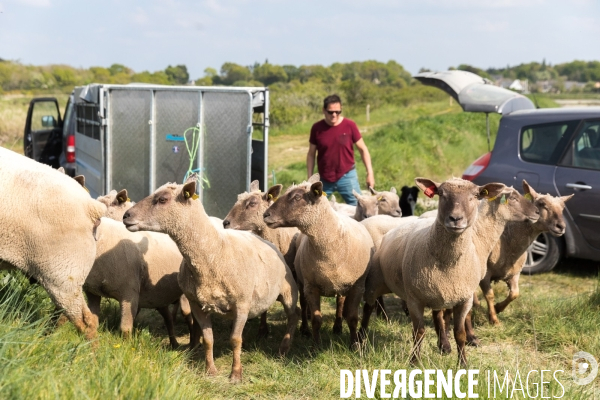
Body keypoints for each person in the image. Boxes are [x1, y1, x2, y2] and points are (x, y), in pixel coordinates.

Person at [306, 94, 375, 205]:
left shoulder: (350, 125)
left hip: (347, 175)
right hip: (324, 178)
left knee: (359, 206)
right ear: (324, 110)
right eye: (330, 112)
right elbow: (311, 154)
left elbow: (363, 149)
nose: (334, 115)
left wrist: (370, 173)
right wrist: (310, 179)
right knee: (314, 206)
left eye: (338, 112)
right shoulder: (317, 128)